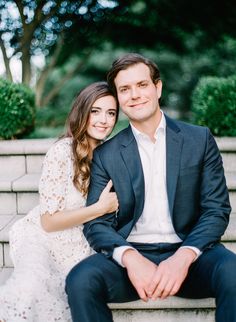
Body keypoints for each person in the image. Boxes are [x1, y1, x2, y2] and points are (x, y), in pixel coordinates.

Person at [66, 53, 236, 322]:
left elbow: (216, 210)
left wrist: (183, 257)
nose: (134, 95)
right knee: (80, 280)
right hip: (132, 258)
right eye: (125, 89)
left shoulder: (199, 139)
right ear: (119, 98)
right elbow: (96, 224)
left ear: (158, 88)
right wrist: (130, 258)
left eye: (142, 85)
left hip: (190, 255)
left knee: (233, 273)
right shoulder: (107, 154)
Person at [0, 81, 119, 322]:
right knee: (29, 286)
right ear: (82, 112)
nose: (104, 120)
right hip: (43, 238)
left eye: (111, 113)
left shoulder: (112, 154)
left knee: (78, 287)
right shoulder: (62, 151)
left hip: (81, 245)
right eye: (95, 111)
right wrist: (99, 208)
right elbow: (48, 222)